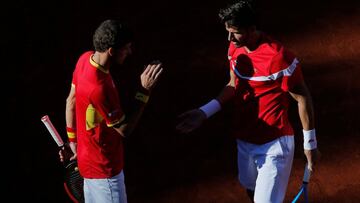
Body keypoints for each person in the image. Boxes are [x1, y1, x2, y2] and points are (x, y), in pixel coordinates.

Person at [176, 1, 319, 202]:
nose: (229, 38)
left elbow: (303, 98)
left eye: (234, 32)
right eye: (227, 31)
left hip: (274, 145)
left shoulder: (278, 58)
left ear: (252, 29)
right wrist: (204, 112)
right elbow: (234, 84)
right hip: (244, 139)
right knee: (251, 188)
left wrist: (309, 143)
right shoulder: (235, 48)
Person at [59, 19, 163, 203]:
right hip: (106, 176)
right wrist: (144, 92)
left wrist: (73, 142)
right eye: (127, 48)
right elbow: (124, 130)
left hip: (86, 165)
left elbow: (71, 101)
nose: (130, 52)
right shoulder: (100, 88)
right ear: (112, 51)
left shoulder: (84, 60)